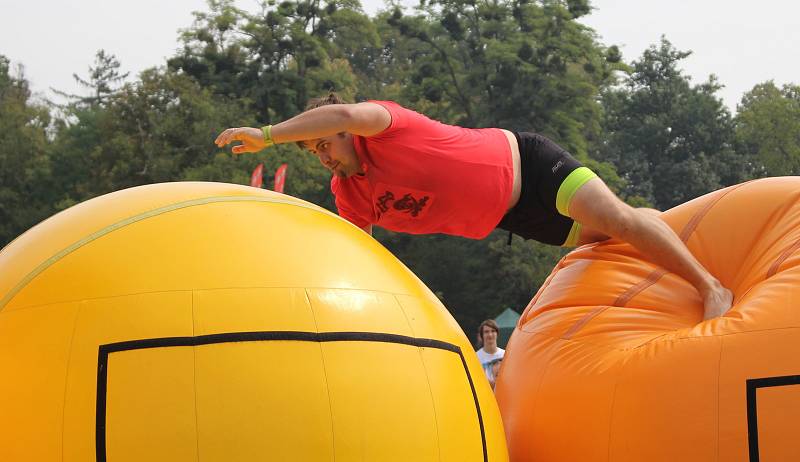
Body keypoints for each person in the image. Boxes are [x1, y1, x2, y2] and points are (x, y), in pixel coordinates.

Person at [215, 93, 733, 320]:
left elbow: (347, 110)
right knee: (611, 237)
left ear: (344, 132)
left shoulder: (382, 124)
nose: (323, 156)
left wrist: (266, 136)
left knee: (616, 218)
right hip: (513, 217)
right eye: (314, 152)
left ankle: (711, 286)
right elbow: (359, 257)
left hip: (528, 164)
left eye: (324, 143)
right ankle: (681, 230)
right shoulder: (350, 196)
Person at [475, 320, 505, 390]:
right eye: (486, 332)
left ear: (497, 333)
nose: (490, 334)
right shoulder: (475, 357)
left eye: (493, 331)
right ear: (482, 335)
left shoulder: (506, 355)